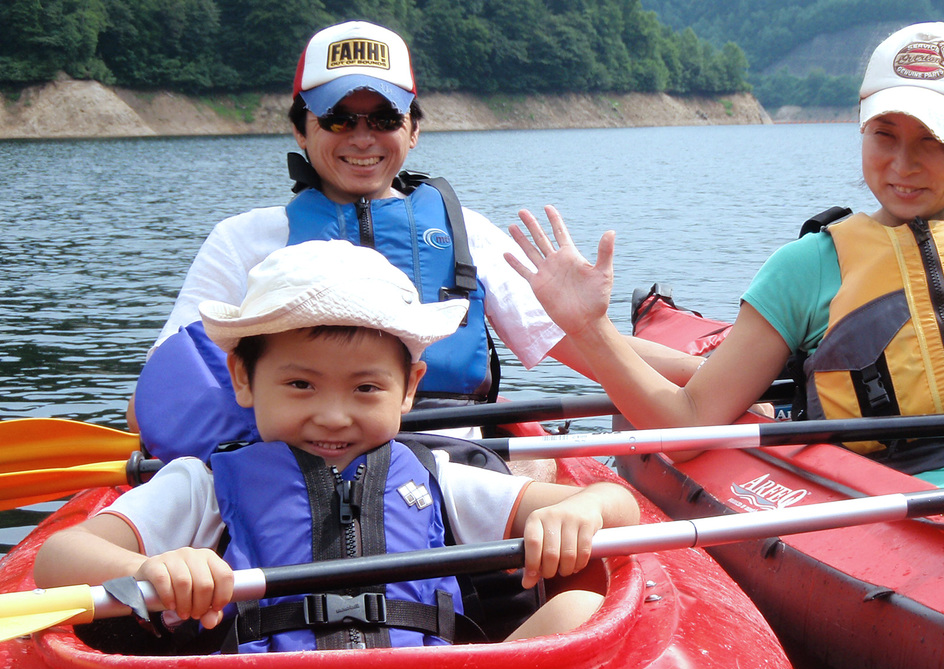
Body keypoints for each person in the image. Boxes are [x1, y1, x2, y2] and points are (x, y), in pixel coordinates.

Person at [504, 22, 944, 555]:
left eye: (932, 139)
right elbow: (689, 422)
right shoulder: (807, 267)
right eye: (883, 135)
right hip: (893, 510)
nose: (902, 164)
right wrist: (590, 331)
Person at [35, 240, 641, 652]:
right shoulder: (201, 486)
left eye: (365, 388)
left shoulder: (437, 477)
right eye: (300, 384)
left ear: (408, 390)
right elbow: (58, 558)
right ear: (244, 378)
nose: (332, 414)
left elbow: (617, 508)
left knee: (578, 610)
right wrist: (147, 568)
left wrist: (579, 511)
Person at [127, 19, 699, 437]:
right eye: (337, 118)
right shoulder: (242, 242)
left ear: (414, 131)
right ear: (301, 130)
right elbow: (161, 397)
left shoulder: (465, 233)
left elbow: (585, 348)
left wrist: (715, 377)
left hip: (448, 461)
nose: (361, 137)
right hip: (295, 464)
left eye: (383, 119)